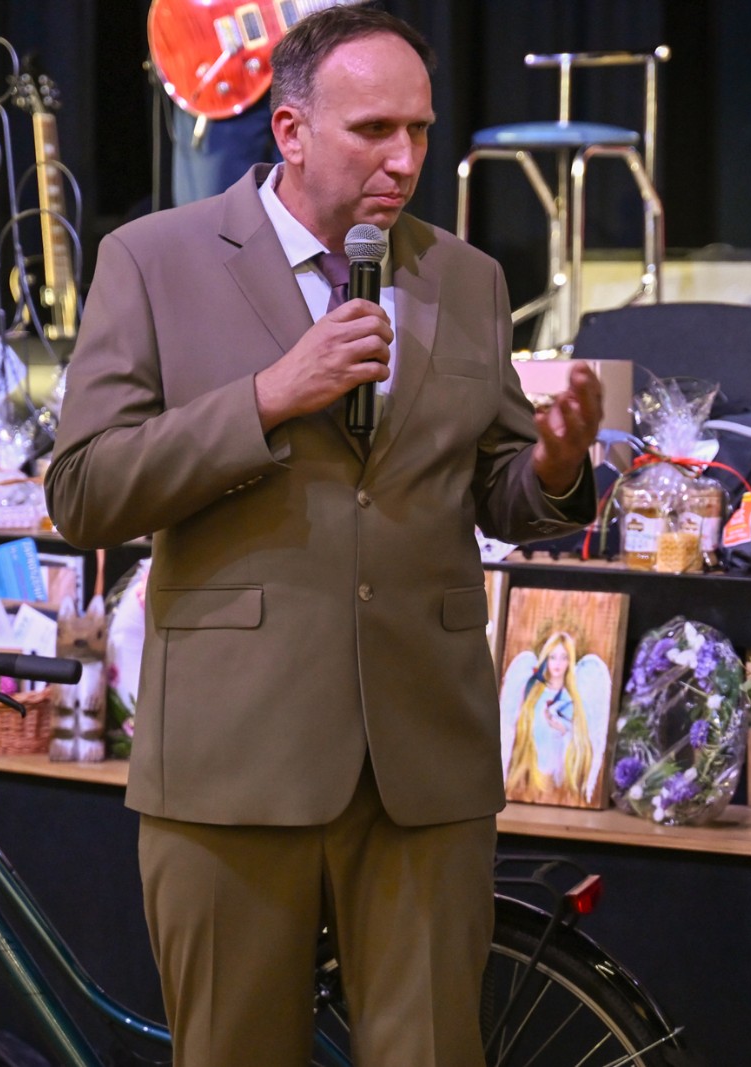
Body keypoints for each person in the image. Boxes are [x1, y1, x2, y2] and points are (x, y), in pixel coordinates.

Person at [44, 8, 603, 1065]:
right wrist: (266, 398)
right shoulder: (154, 259)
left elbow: (496, 492)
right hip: (234, 757)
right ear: (291, 130)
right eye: (374, 129)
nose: (405, 159)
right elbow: (83, 491)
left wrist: (557, 470)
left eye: (420, 130)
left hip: (424, 762)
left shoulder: (469, 277)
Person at [504, 631, 595, 806]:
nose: (558, 663)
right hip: (532, 767)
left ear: (570, 662)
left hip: (560, 771)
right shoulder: (533, 695)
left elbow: (580, 740)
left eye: (564, 657)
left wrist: (562, 729)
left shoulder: (571, 699)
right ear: (546, 659)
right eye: (553, 657)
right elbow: (521, 730)